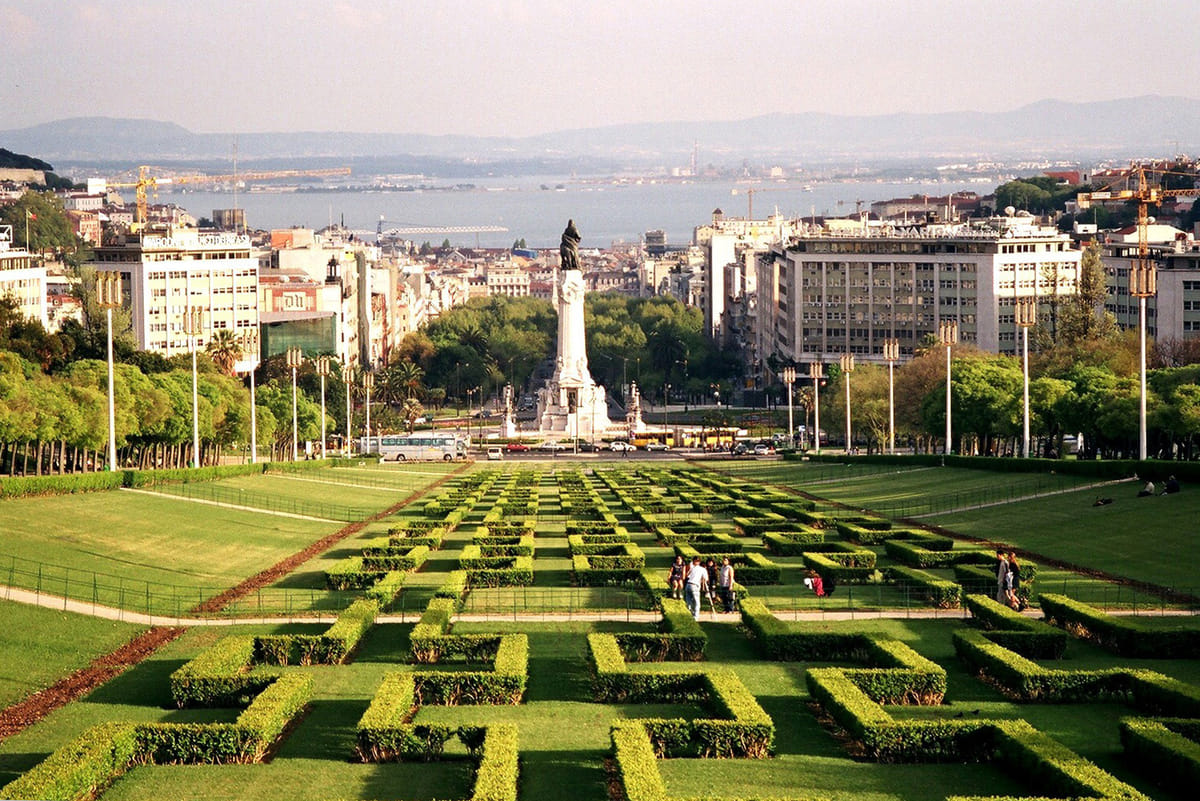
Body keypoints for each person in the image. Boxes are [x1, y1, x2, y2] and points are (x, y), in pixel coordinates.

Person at [683, 556, 708, 621]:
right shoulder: (702, 569)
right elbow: (706, 579)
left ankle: (691, 614)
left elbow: (687, 576)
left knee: (688, 602)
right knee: (697, 602)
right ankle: (696, 617)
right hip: (694, 585)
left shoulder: (692, 568)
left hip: (688, 584)